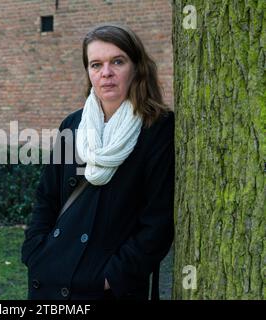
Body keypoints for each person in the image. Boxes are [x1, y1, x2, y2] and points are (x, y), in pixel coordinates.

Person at [21, 24, 174, 300]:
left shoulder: (157, 129)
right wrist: (35, 252)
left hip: (107, 287)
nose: (106, 73)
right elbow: (47, 197)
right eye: (96, 64)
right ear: (88, 72)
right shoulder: (73, 125)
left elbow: (159, 221)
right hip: (51, 275)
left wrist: (111, 278)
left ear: (136, 67)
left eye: (117, 61)